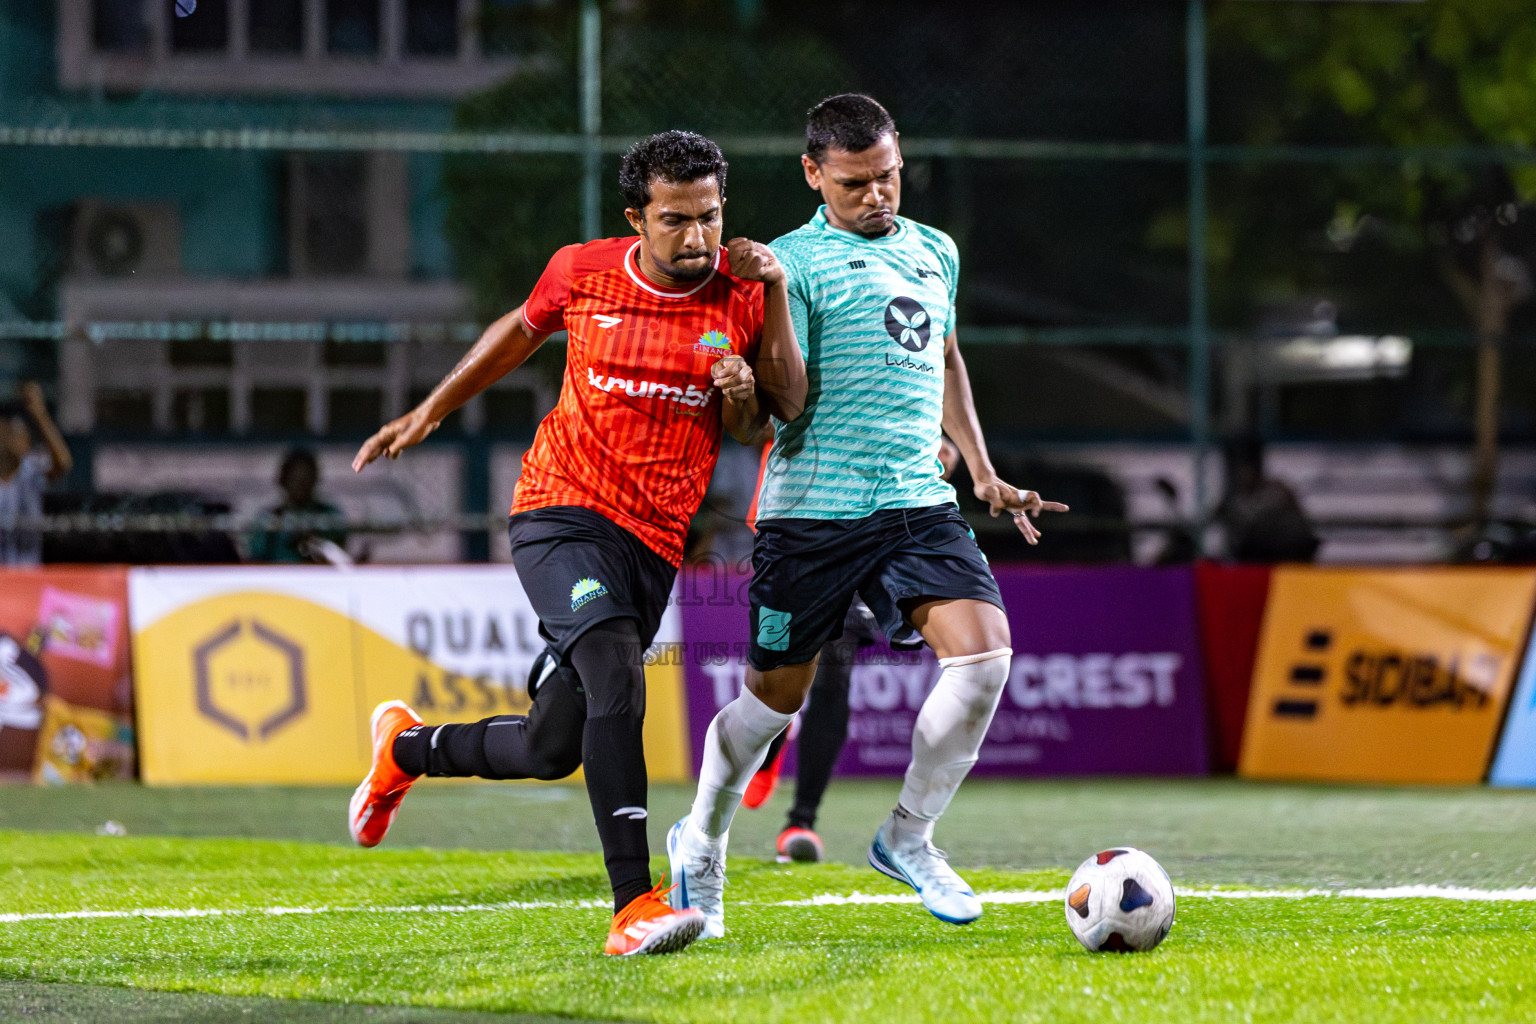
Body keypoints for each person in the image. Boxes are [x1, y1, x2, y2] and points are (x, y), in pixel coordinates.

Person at [346, 131, 805, 957]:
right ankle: (633, 905)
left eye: (709, 216)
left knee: (551, 744)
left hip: (654, 543)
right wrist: (433, 409)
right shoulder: (582, 271)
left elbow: (751, 429)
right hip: (559, 511)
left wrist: (743, 386)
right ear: (637, 218)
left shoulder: (741, 295)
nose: (696, 237)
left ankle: (405, 748)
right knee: (617, 676)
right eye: (675, 220)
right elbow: (518, 333)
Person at [668, 95, 1066, 937]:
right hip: (811, 514)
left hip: (917, 504)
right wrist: (773, 291)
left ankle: (908, 837)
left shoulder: (935, 250)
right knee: (775, 702)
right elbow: (789, 400)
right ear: (814, 174)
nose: (877, 196)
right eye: (855, 184)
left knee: (986, 658)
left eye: (887, 176)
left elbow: (946, 354)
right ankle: (701, 836)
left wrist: (985, 472)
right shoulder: (788, 261)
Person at [745, 437, 963, 865]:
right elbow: (756, 421)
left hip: (868, 528)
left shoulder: (895, 373)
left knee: (832, 675)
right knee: (778, 674)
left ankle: (800, 823)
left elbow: (939, 432)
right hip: (795, 520)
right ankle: (776, 733)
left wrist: (941, 447)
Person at [0, 382, 73, 567]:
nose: (10, 440)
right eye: (5, 433)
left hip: (28, 574)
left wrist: (40, 414)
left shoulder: (30, 471)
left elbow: (62, 464)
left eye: (16, 434)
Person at [1215, 436, 1318, 563]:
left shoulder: (1278, 492)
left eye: (1247, 469)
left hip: (1288, 555)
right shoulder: (1234, 502)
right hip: (1257, 559)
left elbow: (1302, 533)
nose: (1243, 474)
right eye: (1239, 470)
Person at [245, 448, 350, 564]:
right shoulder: (268, 519)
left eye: (305, 479)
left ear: (315, 479)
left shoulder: (329, 515)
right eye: (295, 479)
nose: (300, 486)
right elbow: (256, 559)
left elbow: (340, 556)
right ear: (283, 480)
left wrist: (312, 541)